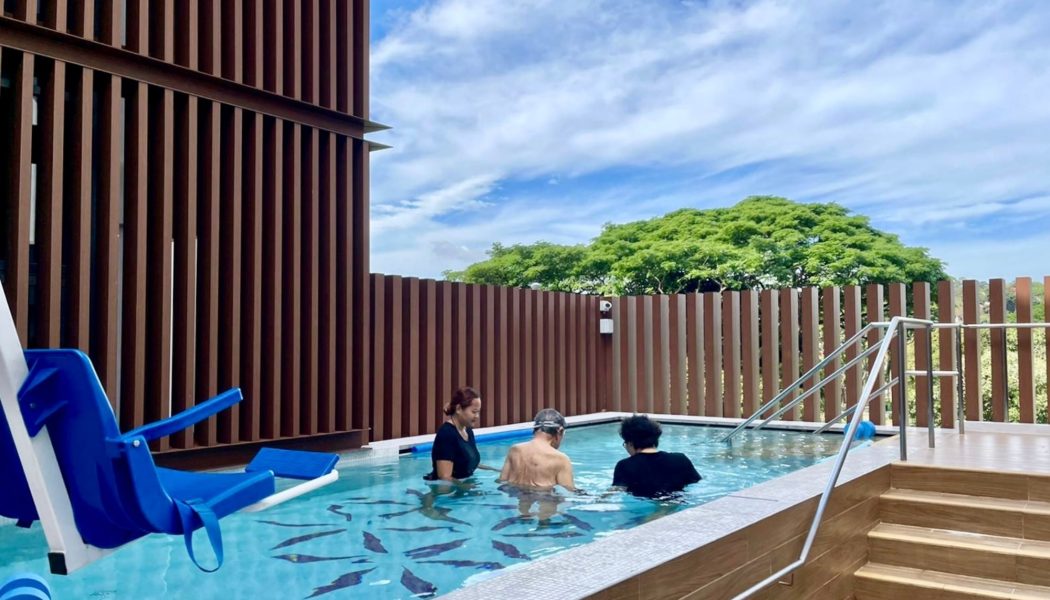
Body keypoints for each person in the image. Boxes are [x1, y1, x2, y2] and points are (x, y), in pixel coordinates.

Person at [498, 409, 576, 519]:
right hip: (545, 502)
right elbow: (569, 492)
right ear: (560, 431)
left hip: (516, 499)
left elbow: (501, 481)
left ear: (535, 430)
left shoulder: (515, 450)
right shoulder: (561, 459)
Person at [612, 415, 701, 498]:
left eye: (625, 444)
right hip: (678, 501)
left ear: (630, 443)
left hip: (644, 507)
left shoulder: (624, 465)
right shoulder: (680, 459)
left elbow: (617, 490)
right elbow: (697, 483)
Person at [425, 387, 497, 481]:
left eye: (478, 412)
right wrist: (469, 489)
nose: (477, 416)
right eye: (474, 412)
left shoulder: (468, 430)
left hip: (463, 487)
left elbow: (468, 461)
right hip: (447, 493)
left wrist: (496, 471)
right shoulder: (447, 434)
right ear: (459, 409)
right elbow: (444, 477)